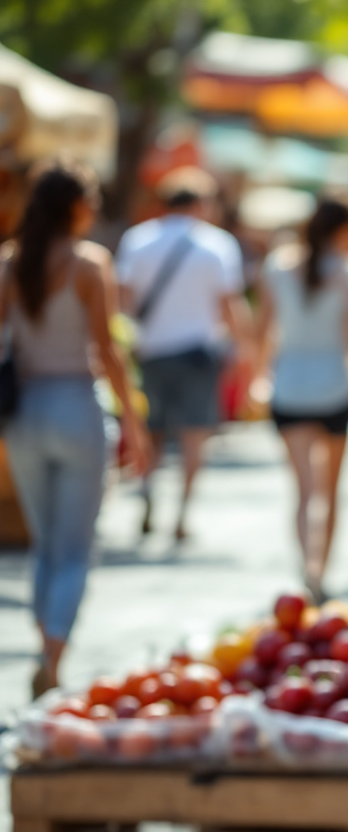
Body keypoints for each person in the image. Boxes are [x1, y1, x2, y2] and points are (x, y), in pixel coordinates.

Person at [0, 159, 150, 696]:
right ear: (76, 206)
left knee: (45, 544)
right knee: (76, 546)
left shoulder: (10, 264)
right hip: (76, 405)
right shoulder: (88, 263)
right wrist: (134, 421)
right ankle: (55, 649)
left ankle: (46, 642)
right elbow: (108, 350)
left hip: (24, 411)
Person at [116, 167, 252, 541]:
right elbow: (229, 305)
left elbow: (123, 301)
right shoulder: (218, 245)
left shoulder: (138, 240)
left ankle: (146, 493)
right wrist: (244, 350)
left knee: (152, 431)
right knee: (195, 436)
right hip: (197, 354)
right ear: (202, 204)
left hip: (149, 352)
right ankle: (182, 514)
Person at [254, 197, 348, 601]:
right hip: (336, 388)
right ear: (342, 230)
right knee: (330, 490)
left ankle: (307, 567)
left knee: (303, 491)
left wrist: (257, 378)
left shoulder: (278, 266)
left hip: (289, 388)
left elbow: (264, 331)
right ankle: (322, 573)